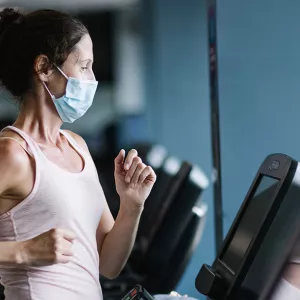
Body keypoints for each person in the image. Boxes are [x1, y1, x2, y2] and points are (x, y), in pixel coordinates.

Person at [0, 8, 156, 300]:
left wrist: (132, 205)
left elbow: (109, 264)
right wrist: (23, 251)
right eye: (84, 66)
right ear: (45, 68)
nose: (91, 78)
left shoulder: (76, 146)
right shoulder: (13, 153)